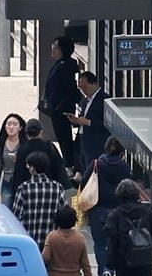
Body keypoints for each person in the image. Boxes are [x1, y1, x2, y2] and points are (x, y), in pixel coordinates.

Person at [86, 136, 133, 276]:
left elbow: (84, 181)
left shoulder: (96, 164)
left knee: (99, 244)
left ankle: (103, 273)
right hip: (118, 210)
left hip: (97, 209)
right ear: (122, 152)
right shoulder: (124, 167)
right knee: (114, 243)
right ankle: (110, 269)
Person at [10, 151, 67, 248]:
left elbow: (16, 216)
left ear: (32, 168)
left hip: (29, 242)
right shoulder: (57, 187)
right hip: (51, 242)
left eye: (28, 166)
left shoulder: (24, 188)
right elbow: (64, 213)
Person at [42, 36, 82, 171]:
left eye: (56, 47)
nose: (53, 49)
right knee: (62, 136)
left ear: (62, 50)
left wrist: (59, 106)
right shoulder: (60, 64)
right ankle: (69, 163)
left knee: (64, 137)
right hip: (58, 108)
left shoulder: (65, 66)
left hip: (61, 109)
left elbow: (69, 88)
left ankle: (69, 165)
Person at [7, 118, 66, 199]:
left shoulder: (22, 150)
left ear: (26, 134)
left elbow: (19, 175)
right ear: (40, 132)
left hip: (29, 192)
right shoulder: (49, 147)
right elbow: (58, 168)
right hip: (50, 190)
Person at [68, 71, 110, 173]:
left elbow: (107, 124)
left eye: (85, 87)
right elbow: (83, 118)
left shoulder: (104, 99)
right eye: (81, 88)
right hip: (83, 139)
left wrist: (88, 122)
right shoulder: (85, 100)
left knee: (93, 169)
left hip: (96, 142)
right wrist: (76, 120)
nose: (83, 90)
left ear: (94, 84)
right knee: (84, 167)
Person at [0, 113, 25, 208]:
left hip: (22, 181)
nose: (11, 127)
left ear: (20, 128)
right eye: (9, 124)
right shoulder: (0, 144)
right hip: (7, 181)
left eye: (15, 124)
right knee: (6, 208)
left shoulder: (24, 144)